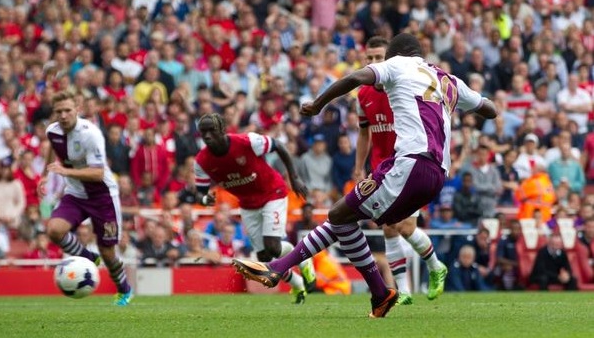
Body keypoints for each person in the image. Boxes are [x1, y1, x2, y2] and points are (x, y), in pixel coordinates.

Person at [233, 33, 497, 318]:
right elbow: (490, 110)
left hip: (409, 163)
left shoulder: (398, 65)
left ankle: (279, 268)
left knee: (340, 216)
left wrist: (319, 104)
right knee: (344, 217)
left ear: (395, 55)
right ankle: (381, 295)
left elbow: (356, 77)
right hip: (436, 175)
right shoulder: (448, 80)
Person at [352, 35, 450, 305]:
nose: (373, 63)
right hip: (380, 167)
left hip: (410, 163)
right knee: (389, 229)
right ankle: (404, 290)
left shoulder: (406, 86)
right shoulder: (363, 94)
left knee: (404, 226)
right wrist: (359, 167)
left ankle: (435, 264)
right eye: (369, 58)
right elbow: (364, 133)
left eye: (378, 58)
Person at [190, 113, 316, 304]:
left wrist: (294, 177)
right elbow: (200, 192)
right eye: (203, 132)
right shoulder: (202, 161)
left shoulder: (247, 141)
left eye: (211, 131)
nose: (207, 136)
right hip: (248, 204)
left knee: (273, 246)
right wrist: (205, 198)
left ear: (222, 130)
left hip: (272, 192)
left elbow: (279, 146)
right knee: (264, 255)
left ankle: (304, 259)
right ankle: (298, 284)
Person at [38, 90, 133, 306]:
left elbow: (98, 173)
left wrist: (65, 172)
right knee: (54, 230)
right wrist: (45, 175)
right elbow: (52, 148)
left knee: (108, 251)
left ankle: (124, 289)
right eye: (59, 111)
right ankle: (89, 259)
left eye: (67, 110)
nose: (63, 115)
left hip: (103, 196)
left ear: (77, 110)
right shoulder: (53, 131)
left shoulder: (91, 134)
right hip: (76, 194)